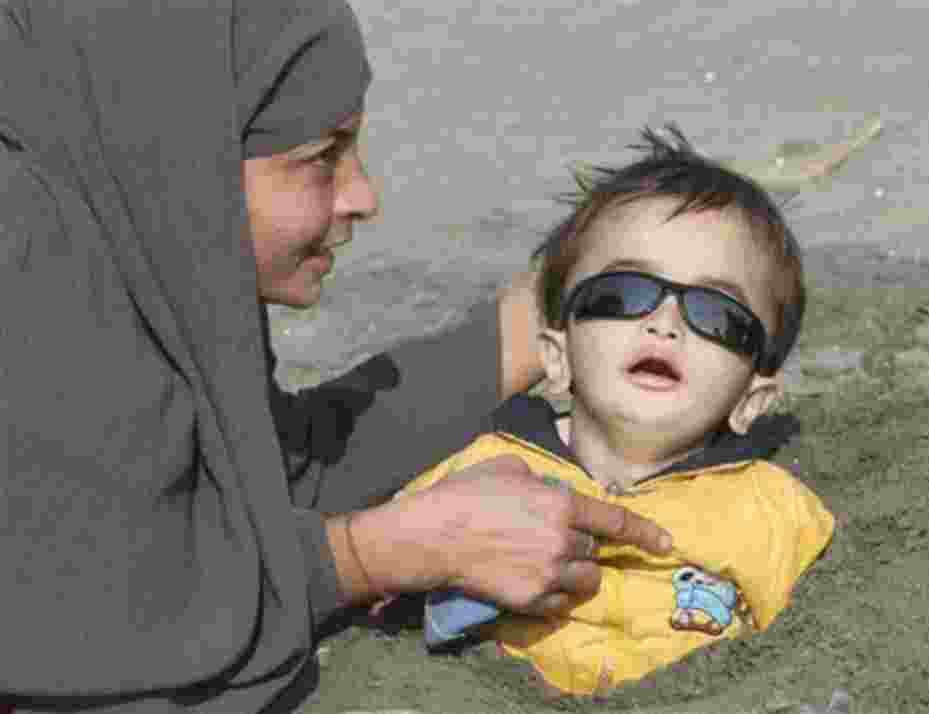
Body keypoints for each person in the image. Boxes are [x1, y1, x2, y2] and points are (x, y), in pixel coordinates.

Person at [0, 2, 675, 712]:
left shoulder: (133, 229)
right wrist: (387, 551)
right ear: (182, 160)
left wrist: (541, 317)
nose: (363, 195)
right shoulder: (24, 256)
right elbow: (89, 615)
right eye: (321, 158)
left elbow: (272, 475)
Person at [388, 125, 836, 696]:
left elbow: (824, 649)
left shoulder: (774, 511)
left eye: (716, 314)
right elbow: (392, 571)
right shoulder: (481, 472)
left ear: (752, 400)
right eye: (622, 295)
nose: (664, 323)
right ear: (557, 356)